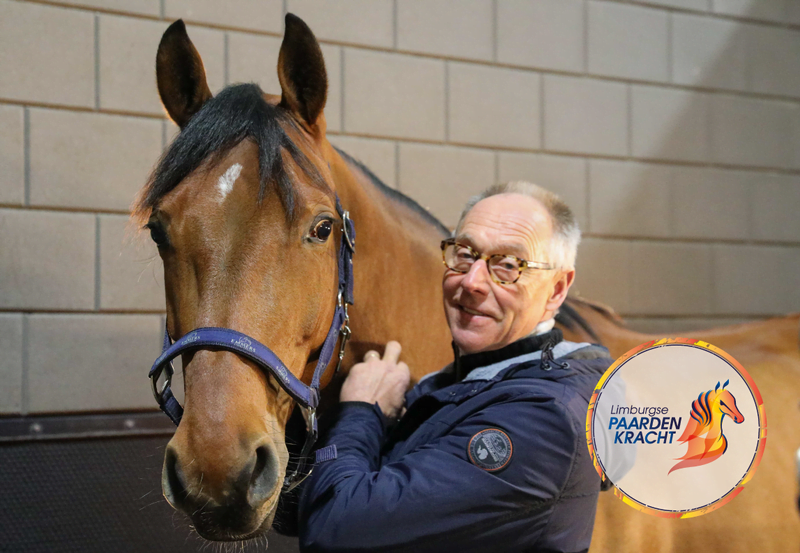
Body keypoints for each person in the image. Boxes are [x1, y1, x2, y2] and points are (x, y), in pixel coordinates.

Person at [297, 181, 612, 552]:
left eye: (508, 265)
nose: (473, 281)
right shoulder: (465, 381)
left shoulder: (544, 420)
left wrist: (360, 413)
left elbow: (335, 530)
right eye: (465, 253)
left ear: (557, 289)